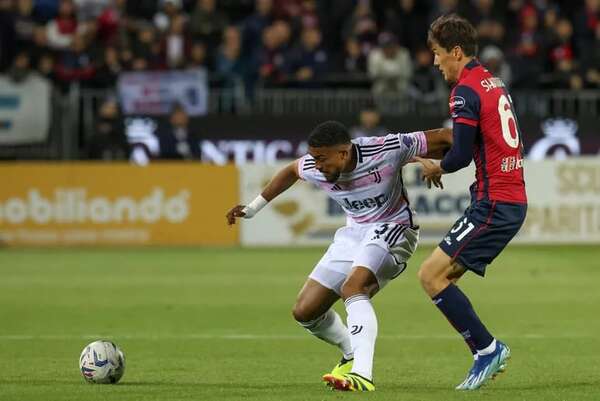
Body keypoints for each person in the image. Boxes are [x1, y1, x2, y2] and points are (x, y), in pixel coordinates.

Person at [226, 121, 453, 391]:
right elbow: (290, 171)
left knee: (353, 288)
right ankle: (351, 351)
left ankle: (362, 374)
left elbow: (447, 136)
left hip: (394, 228)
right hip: (353, 234)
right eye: (313, 158)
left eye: (321, 158)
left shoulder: (385, 148)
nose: (316, 166)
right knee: (305, 311)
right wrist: (253, 209)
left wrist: (440, 163)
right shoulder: (314, 165)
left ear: (343, 153)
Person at [415, 14, 528, 391]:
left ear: (456, 52)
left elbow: (461, 155)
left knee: (429, 275)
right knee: (441, 277)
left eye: (437, 53)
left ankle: (487, 349)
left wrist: (437, 167)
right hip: (508, 198)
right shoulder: (494, 82)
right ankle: (484, 349)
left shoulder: (464, 90)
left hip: (494, 202)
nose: (435, 62)